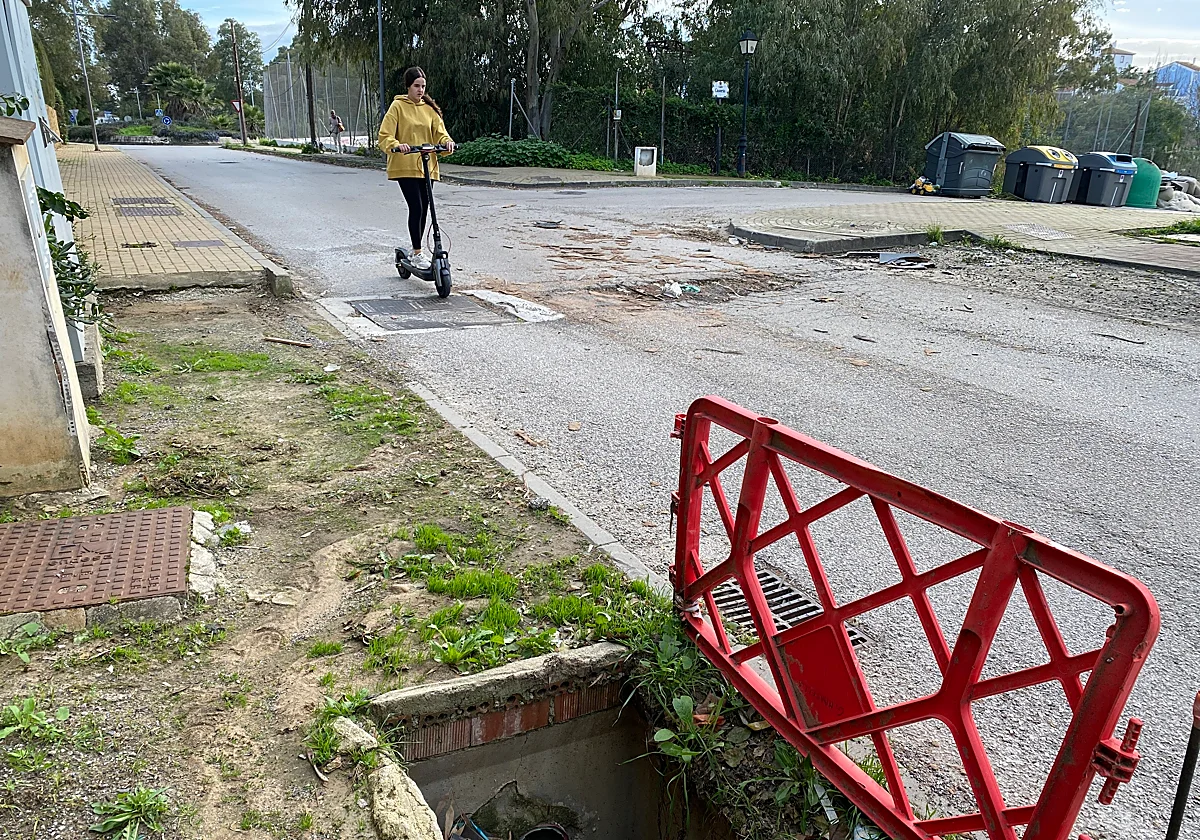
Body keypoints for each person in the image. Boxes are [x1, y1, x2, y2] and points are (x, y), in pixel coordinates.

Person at [378, 67, 455, 271]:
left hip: (427, 166)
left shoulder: (429, 109)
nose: (420, 90)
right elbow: (385, 135)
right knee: (417, 207)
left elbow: (441, 133)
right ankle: (418, 252)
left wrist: (447, 142)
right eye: (416, 86)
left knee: (426, 209)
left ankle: (415, 250)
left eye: (423, 86)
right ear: (408, 86)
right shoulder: (397, 107)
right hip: (406, 165)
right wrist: (397, 144)